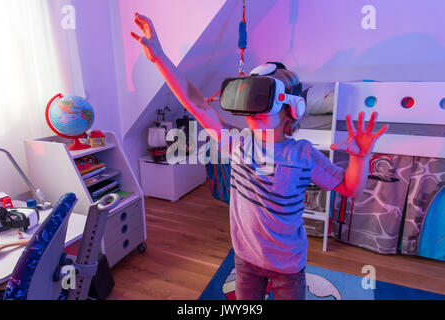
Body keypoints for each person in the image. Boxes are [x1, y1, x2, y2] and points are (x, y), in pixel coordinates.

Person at [131, 13, 388, 300]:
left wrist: (360, 158)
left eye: (260, 100)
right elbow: (195, 103)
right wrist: (159, 59)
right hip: (245, 260)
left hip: (287, 267)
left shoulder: (303, 155)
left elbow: (350, 188)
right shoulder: (236, 143)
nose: (252, 110)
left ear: (290, 108)